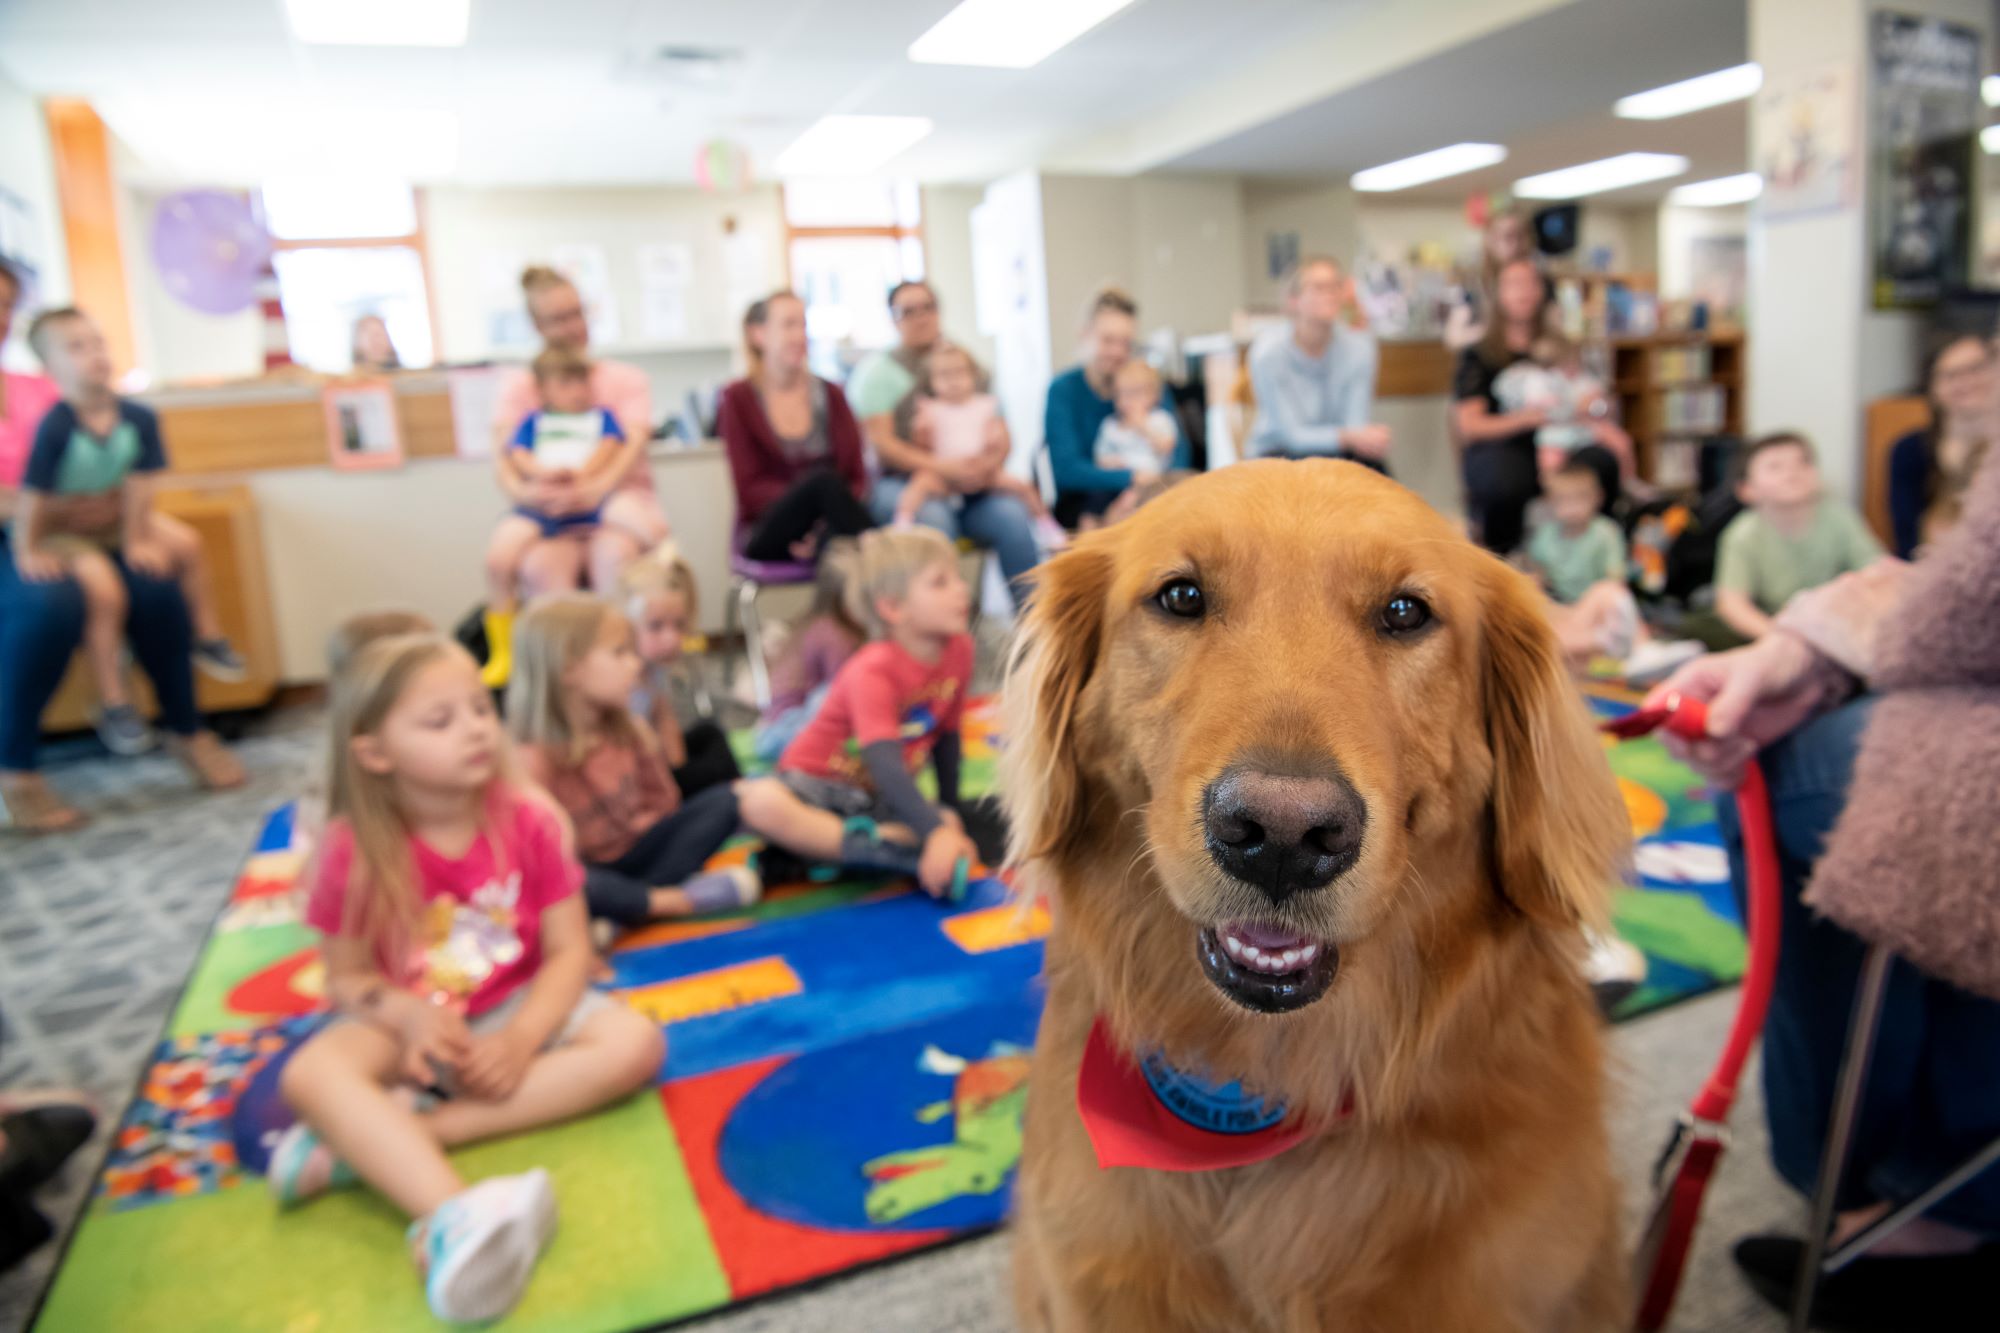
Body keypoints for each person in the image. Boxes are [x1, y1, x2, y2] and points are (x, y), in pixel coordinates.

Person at [1646, 453, 2000, 1331]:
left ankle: (1860, 1183)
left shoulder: (1843, 522)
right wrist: (1799, 649)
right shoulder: (1749, 539)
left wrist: (1807, 650)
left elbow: (1964, 598)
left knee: (1789, 767)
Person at [271, 632, 664, 1324]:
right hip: (414, 1022)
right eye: (440, 720)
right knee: (310, 1075)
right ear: (374, 752)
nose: (476, 729)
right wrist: (407, 1015)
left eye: (480, 709)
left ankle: (371, 1143)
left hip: (517, 998)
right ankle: (456, 1213)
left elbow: (570, 951)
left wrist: (520, 1038)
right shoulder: (352, 846)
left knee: (637, 1045)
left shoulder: (531, 818)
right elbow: (346, 978)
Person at [0, 315, 243, 836]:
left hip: (93, 526)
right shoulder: (58, 406)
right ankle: (17, 768)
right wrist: (47, 517)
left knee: (154, 583)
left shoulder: (43, 390)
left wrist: (111, 512)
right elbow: (40, 492)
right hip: (29, 538)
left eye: (5, 303)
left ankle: (186, 729)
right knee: (51, 605)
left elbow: (103, 466)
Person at [507, 597, 758, 927]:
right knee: (577, 884)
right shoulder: (533, 761)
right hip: (591, 874)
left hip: (645, 852)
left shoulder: (627, 728)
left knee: (726, 801)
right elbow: (546, 862)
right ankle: (670, 901)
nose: (635, 664)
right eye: (619, 653)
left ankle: (626, 908)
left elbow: (667, 802)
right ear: (569, 667)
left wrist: (649, 814)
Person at [777, 528, 979, 898]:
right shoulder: (873, 668)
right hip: (815, 786)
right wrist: (935, 832)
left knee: (946, 820)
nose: (961, 589)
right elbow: (885, 763)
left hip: (874, 797)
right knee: (770, 807)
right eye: (940, 582)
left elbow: (947, 738)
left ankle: (845, 853)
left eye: (957, 578)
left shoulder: (960, 650)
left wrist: (951, 815)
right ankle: (869, 851)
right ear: (892, 607)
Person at [489, 266, 669, 599]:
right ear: (537, 325)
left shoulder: (626, 379)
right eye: (558, 319)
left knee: (615, 558)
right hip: (549, 514)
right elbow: (507, 459)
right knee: (540, 567)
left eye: (577, 313)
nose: (573, 327)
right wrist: (530, 495)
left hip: (613, 504)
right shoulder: (520, 387)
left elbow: (625, 451)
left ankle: (622, 648)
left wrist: (591, 490)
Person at [852, 281, 1043, 593]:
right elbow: (883, 445)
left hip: (975, 484)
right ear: (893, 319)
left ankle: (1034, 627)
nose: (921, 317)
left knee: (1011, 516)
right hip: (904, 483)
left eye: (928, 307)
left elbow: (1000, 430)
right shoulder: (878, 375)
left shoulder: (967, 364)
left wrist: (985, 467)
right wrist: (944, 468)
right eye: (908, 311)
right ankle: (946, 631)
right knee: (934, 522)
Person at [1453, 257, 1624, 554]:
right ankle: (1504, 560)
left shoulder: (1563, 346)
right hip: (1505, 443)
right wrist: (1531, 418)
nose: (1524, 292)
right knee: (1503, 481)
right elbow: (1470, 426)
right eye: (1514, 284)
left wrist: (1592, 405)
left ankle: (1596, 556)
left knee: (1602, 461)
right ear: (1499, 294)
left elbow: (1596, 401)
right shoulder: (1480, 354)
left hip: (1567, 435)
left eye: (1531, 283)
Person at [481, 346, 629, 687]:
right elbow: (518, 456)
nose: (577, 392)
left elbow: (609, 450)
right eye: (566, 384)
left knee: (646, 531)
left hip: (588, 507)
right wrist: (544, 475)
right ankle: (504, 652)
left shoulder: (602, 417)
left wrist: (578, 475)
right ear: (543, 390)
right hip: (538, 505)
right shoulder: (533, 422)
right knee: (498, 560)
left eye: (582, 383)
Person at [717, 292, 874, 564]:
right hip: (770, 528)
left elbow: (856, 476)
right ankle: (885, 557)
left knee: (837, 539)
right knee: (822, 481)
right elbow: (749, 487)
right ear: (758, 334)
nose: (800, 336)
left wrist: (821, 523)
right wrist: (808, 506)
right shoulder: (738, 399)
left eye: (803, 325)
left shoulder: (832, 394)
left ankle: (868, 559)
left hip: (834, 523)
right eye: (788, 325)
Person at [889, 342, 1067, 548]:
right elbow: (923, 450)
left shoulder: (986, 405)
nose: (953, 381)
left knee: (1023, 486)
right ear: (931, 381)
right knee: (918, 485)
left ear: (974, 375)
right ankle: (903, 521)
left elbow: (1001, 445)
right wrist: (921, 434)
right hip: (943, 475)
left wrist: (988, 459)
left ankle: (1045, 524)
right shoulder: (929, 410)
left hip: (984, 474)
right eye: (944, 375)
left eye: (959, 372)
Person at [1714, 432, 1884, 642]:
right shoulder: (1743, 534)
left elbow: (1878, 571)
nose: (1792, 472)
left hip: (1838, 624)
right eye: (1775, 466)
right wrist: (1777, 636)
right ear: (1746, 489)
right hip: (1776, 628)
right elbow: (1732, 604)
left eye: (1803, 462)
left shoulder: (1840, 517)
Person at [1044, 287, 1192, 527]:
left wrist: (1151, 488)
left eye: (1126, 343)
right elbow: (1067, 470)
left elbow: (1179, 455)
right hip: (1086, 497)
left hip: (1149, 492)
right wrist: (1131, 478)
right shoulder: (1062, 390)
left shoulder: (1147, 384)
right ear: (1085, 336)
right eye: (1108, 340)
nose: (1118, 352)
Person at [616, 545, 740, 797]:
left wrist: (679, 772)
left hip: (657, 766)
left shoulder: (655, 669)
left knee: (709, 732)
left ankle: (728, 796)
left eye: (679, 625)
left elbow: (665, 720)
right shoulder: (621, 679)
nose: (672, 639)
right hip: (632, 777)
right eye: (656, 627)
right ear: (626, 627)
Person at [1245, 256, 1392, 467]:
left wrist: (1365, 439)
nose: (1330, 295)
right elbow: (1291, 435)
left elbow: (1356, 422)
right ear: (1294, 299)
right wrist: (1350, 436)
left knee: (1378, 475)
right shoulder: (1268, 353)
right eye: (1318, 287)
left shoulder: (1360, 349)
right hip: (1278, 454)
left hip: (1339, 453)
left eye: (1335, 286)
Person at [1887, 331, 1993, 559]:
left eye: (1976, 368)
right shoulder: (1909, 451)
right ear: (1932, 387)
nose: (1966, 382)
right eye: (1951, 375)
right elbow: (1907, 543)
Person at [753, 549, 864, 765]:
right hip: (785, 729)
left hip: (781, 724)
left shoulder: (824, 622)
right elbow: (842, 691)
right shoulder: (833, 633)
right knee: (835, 692)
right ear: (842, 598)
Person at [1493, 331, 1631, 483]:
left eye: (1574, 362)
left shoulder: (1582, 380)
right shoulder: (1539, 382)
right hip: (1555, 431)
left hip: (1584, 428)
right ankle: (1552, 494)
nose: (1571, 367)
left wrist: (1595, 403)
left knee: (1620, 442)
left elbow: (1600, 401)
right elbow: (1537, 407)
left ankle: (1627, 483)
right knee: (1550, 463)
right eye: (1566, 363)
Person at [1444, 208, 1536, 352]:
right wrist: (1494, 332)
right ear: (1488, 239)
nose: (1513, 245)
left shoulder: (1536, 279)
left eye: (1518, 236)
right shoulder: (1472, 284)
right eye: (1505, 237)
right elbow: (1453, 338)